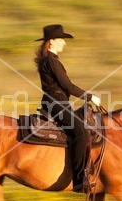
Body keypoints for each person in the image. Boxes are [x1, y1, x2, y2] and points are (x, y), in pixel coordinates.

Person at [34, 24, 101, 192]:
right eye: (61, 40)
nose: (64, 43)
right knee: (80, 132)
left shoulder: (48, 61)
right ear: (51, 42)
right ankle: (79, 179)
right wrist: (90, 97)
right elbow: (68, 86)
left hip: (56, 101)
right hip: (57, 102)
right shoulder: (51, 61)